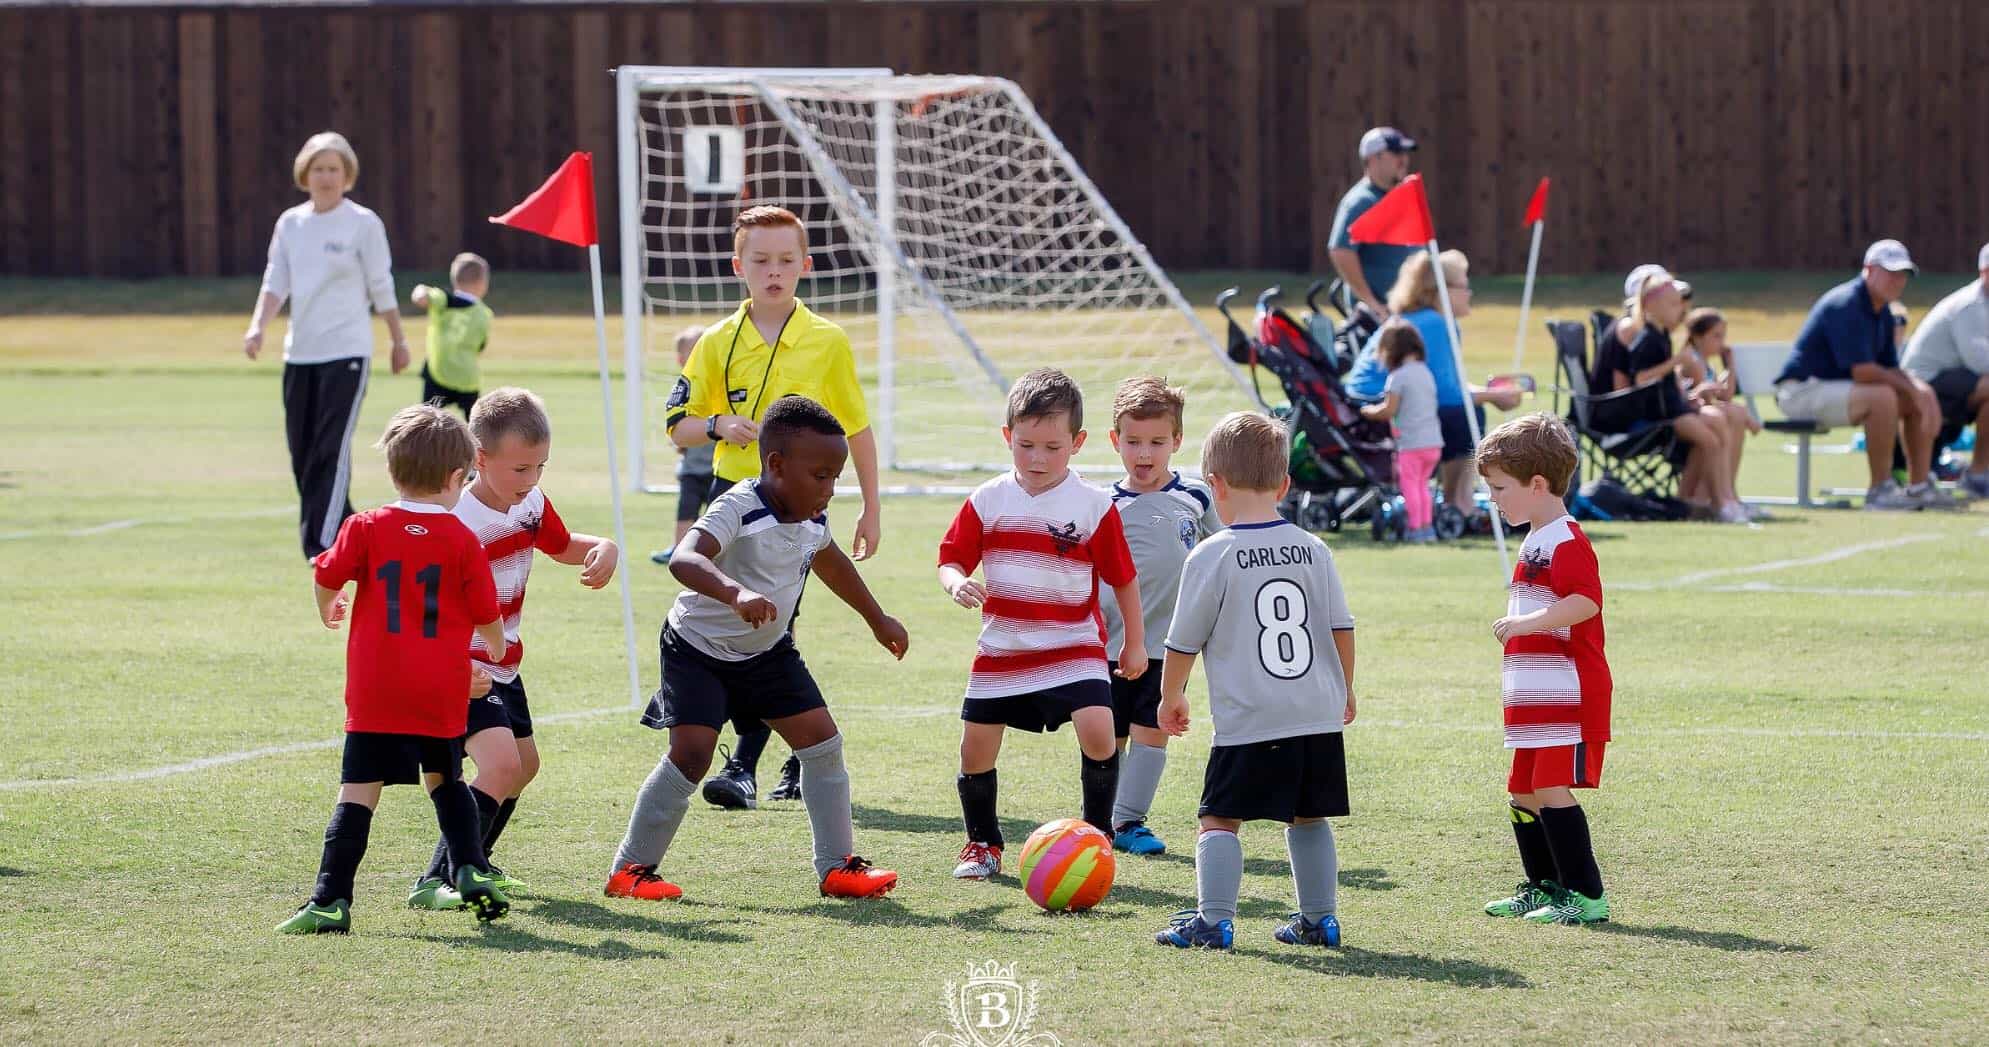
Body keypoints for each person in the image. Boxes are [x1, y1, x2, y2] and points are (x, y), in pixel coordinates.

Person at [608, 396, 906, 903]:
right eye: (820, 475)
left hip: (767, 654)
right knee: (692, 754)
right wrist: (734, 592)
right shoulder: (739, 507)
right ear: (775, 465)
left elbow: (830, 561)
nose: (829, 489)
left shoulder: (812, 515)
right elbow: (684, 558)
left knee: (822, 744)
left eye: (836, 477)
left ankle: (837, 868)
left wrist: (877, 619)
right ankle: (631, 869)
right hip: (697, 649)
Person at [667, 206, 883, 807]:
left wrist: (871, 504)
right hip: (731, 505)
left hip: (796, 514)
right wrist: (717, 424)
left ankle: (746, 763)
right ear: (739, 266)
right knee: (730, 622)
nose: (774, 271)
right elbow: (675, 425)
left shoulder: (827, 341)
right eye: (760, 260)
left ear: (806, 266)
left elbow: (858, 429)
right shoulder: (715, 342)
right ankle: (766, 750)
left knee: (773, 627)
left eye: (786, 260)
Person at [276, 404, 509, 934]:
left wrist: (327, 606)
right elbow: (486, 613)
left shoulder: (365, 526)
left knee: (358, 791)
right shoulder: (461, 540)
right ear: (457, 478)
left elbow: (326, 572)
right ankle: (469, 867)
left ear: (392, 472)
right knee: (446, 781)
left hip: (377, 688)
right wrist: (494, 649)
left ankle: (331, 899)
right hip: (438, 689)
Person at [405, 388, 621, 910]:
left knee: (524, 766)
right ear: (480, 459)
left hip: (504, 663)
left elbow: (561, 545)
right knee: (500, 766)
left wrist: (603, 547)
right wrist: (454, 666)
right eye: (521, 469)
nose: (532, 482)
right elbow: (423, 609)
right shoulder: (456, 524)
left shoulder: (532, 505)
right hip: (462, 668)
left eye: (541, 467)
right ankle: (441, 877)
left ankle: (477, 862)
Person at [1151, 410, 1357, 951]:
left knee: (1218, 817)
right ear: (1285, 485)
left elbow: (1182, 641)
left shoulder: (1213, 553)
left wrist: (1171, 697)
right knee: (1308, 815)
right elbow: (1341, 627)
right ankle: (1320, 920)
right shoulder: (1315, 549)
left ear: (1214, 485)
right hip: (1315, 708)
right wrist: (1346, 688)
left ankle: (1214, 921)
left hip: (1251, 716)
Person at [938, 368, 1144, 880]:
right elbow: (950, 559)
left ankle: (1097, 838)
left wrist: (1134, 644)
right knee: (975, 747)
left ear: (1077, 443)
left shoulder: (1095, 506)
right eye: (1025, 444)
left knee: (1100, 732)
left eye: (1052, 447)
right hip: (1003, 645)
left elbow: (1123, 579)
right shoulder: (988, 499)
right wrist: (955, 582)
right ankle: (982, 844)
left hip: (1074, 643)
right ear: (1008, 436)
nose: (1037, 459)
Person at [243, 131, 411, 560]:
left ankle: (321, 545)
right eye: (318, 169)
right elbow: (275, 281)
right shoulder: (291, 224)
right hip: (301, 354)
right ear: (305, 173)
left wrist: (397, 339)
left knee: (329, 449)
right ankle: (353, 534)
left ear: (347, 174)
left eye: (334, 169)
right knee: (302, 453)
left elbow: (381, 286)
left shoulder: (363, 223)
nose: (326, 177)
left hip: (347, 353)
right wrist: (258, 326)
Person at [1477, 412, 1612, 926]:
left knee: (1553, 788)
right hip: (1535, 694)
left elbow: (1586, 603)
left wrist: (1527, 621)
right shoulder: (1535, 537)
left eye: (1500, 488)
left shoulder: (1566, 540)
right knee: (1523, 791)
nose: (1495, 499)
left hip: (1568, 694)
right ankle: (1544, 888)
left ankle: (1587, 896)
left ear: (1538, 484)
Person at [1097, 376, 1223, 857]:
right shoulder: (1102, 504)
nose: (1144, 453)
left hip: (1170, 647)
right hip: (1109, 644)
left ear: (1176, 442)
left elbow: (1220, 554)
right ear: (1115, 441)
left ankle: (1129, 822)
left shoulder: (1197, 498)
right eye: (1133, 442)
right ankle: (1100, 819)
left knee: (1152, 734)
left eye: (1156, 442)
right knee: (1108, 736)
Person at [1774, 240, 1952, 510]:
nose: (1898, 281)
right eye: (1890, 272)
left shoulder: (1882, 311)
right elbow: (1864, 372)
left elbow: (1891, 369)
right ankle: (1880, 491)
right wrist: (1915, 390)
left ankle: (1919, 488)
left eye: (1903, 274)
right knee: (1883, 397)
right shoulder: (1847, 303)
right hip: (1799, 392)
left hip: (1834, 389)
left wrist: (1922, 391)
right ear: (1868, 269)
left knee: (1907, 396)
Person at [1349, 250, 1522, 521]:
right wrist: (1492, 397)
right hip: (1379, 403)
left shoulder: (1431, 321)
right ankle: (1458, 503)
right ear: (1439, 291)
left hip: (1373, 400)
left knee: (1465, 411)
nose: (1469, 293)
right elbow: (1448, 395)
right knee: (1466, 415)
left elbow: (1447, 385)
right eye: (1464, 286)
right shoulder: (1436, 322)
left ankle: (1457, 500)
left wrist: (1490, 393)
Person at [1595, 267, 1750, 522]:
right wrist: (1678, 361)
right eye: (1674, 304)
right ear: (1651, 305)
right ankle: (1719, 502)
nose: (1682, 311)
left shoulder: (1661, 335)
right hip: (1655, 417)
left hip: (1669, 409)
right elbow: (1639, 379)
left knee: (1715, 427)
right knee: (1711, 435)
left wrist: (1689, 393)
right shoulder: (1643, 335)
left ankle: (1707, 501)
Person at [1900, 243, 1989, 499]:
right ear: (1984, 272)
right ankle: (1977, 476)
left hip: (1951, 382)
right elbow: (1979, 362)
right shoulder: (1971, 305)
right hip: (1924, 383)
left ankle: (1980, 473)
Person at [1359, 322, 1444, 542]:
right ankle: (1428, 528)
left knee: (1410, 487)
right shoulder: (1425, 372)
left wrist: (1367, 412)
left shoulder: (1398, 377)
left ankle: (1415, 529)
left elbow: (1389, 409)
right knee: (1423, 487)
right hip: (1433, 442)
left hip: (1412, 443)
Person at [1327, 127, 1420, 322]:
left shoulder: (1401, 195)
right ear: (1372, 159)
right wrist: (1371, 303)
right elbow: (1341, 251)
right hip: (1380, 317)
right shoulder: (1361, 201)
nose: (1403, 160)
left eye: (1404, 153)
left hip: (1407, 311)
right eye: (1396, 153)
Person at [653, 326, 716, 563]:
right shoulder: (681, 391)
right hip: (691, 468)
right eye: (695, 349)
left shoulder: (719, 386)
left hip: (717, 467)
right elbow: (676, 426)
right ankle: (677, 549)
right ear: (681, 359)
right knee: (686, 510)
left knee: (715, 514)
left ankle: (710, 552)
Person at [409, 253, 494, 418]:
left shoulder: (444, 300)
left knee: (427, 423)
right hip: (468, 379)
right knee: (476, 427)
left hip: (438, 373)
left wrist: (420, 293)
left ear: (455, 279)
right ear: (482, 283)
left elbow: (424, 295)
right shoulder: (484, 313)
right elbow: (481, 346)